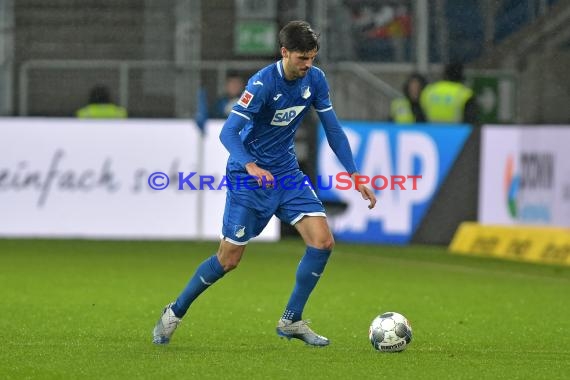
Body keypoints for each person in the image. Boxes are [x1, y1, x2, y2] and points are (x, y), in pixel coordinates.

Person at [152, 20, 377, 347]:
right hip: (248, 180)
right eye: (302, 58)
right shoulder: (261, 84)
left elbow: (334, 130)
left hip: (286, 175)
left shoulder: (315, 80)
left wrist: (355, 174)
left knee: (322, 242)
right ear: (285, 52)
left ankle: (292, 319)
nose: (308, 65)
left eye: (313, 57)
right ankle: (175, 311)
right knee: (228, 260)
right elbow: (227, 133)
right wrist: (251, 165)